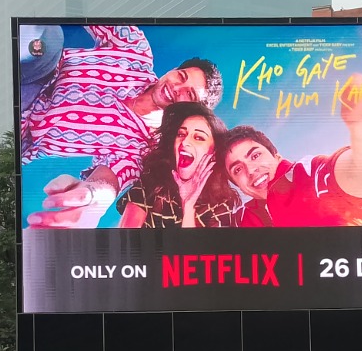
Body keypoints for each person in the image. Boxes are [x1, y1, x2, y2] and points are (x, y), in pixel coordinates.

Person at [222, 34, 362, 227]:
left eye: (255, 155)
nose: (251, 169)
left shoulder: (300, 176)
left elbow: (328, 179)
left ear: (277, 155)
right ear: (235, 184)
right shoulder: (243, 218)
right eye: (237, 169)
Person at [22, 24, 223, 228]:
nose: (177, 88)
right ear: (173, 71)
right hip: (34, 68)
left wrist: (94, 199)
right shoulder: (135, 49)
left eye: (189, 95)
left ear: (188, 111)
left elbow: (110, 180)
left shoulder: (144, 147)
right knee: (46, 34)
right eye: (181, 77)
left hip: (22, 134)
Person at [116, 103, 239, 229]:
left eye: (198, 137)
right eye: (181, 134)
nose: (185, 142)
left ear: (213, 153)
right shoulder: (152, 181)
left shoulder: (221, 206)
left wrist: (188, 205)